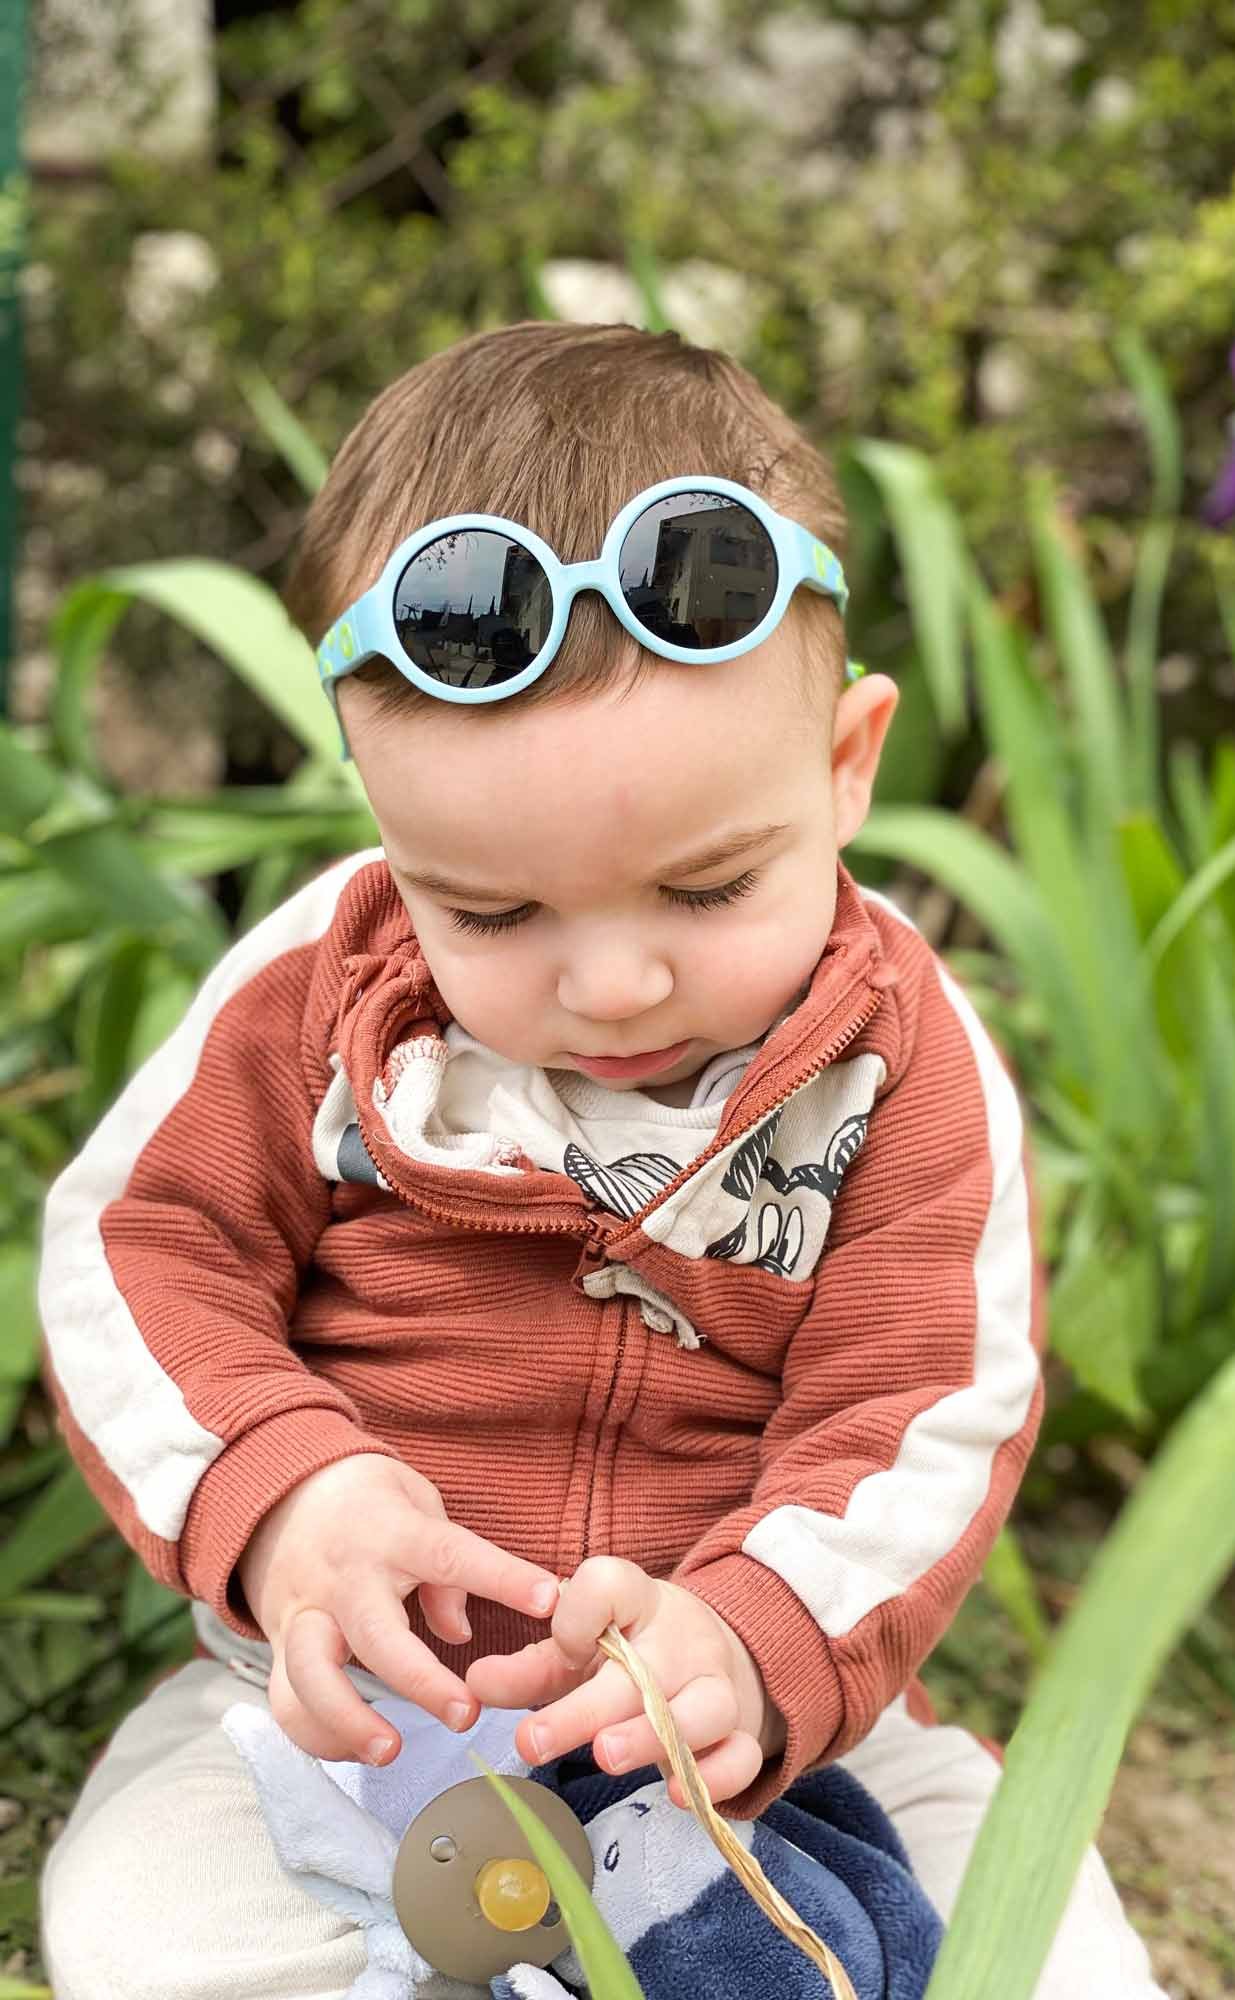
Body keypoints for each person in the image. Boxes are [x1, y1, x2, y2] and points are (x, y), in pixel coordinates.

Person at [37, 322, 1166, 1999]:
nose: (614, 983)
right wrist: (290, 1498)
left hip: (758, 1728)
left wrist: (758, 1638)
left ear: (847, 764)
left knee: (1047, 1949)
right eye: (491, 912)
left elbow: (920, 1412)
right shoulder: (325, 996)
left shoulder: (901, 1064)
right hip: (357, 1710)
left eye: (709, 891)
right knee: (146, 1915)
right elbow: (139, 1255)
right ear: (385, 822)